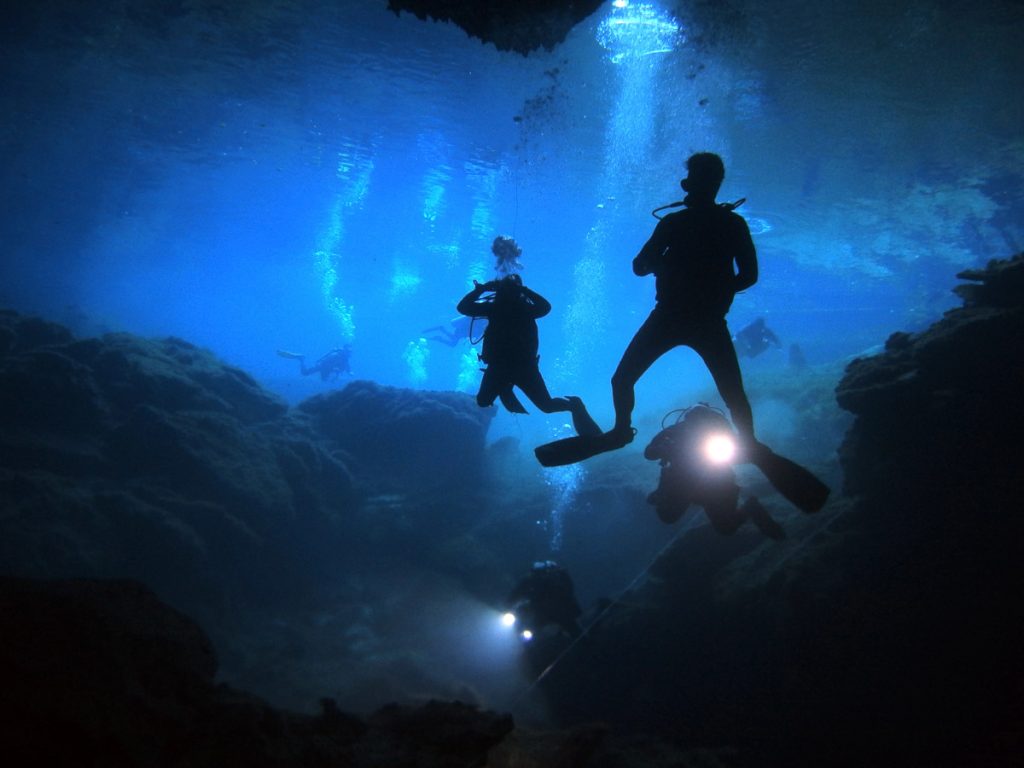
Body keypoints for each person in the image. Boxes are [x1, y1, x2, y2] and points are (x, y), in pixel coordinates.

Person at [604, 152, 759, 452]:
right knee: (733, 393)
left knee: (622, 379)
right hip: (708, 319)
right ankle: (750, 443)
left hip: (670, 316)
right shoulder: (732, 223)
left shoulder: (675, 223)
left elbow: (639, 266)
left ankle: (621, 430)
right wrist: (718, 291)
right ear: (716, 184)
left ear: (687, 184)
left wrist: (661, 267)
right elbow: (749, 276)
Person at [456, 267, 599, 435]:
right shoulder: (496, 307)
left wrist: (486, 289)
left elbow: (545, 307)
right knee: (483, 401)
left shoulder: (524, 309)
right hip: (503, 367)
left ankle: (575, 406)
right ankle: (505, 387)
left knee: (546, 406)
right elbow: (463, 308)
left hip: (523, 367)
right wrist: (484, 289)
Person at [506, 561, 582, 639]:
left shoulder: (551, 577)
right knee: (533, 632)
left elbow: (567, 589)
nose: (539, 575)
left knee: (571, 627)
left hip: (556, 610)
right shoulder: (530, 581)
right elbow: (516, 593)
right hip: (546, 611)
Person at [277, 346, 352, 381]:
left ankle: (301, 359)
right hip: (322, 367)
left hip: (327, 369)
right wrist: (334, 369)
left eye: (349, 353)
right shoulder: (335, 355)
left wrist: (349, 372)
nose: (349, 354)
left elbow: (346, 368)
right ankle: (301, 358)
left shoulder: (345, 360)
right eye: (348, 352)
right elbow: (325, 362)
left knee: (324, 379)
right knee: (305, 373)